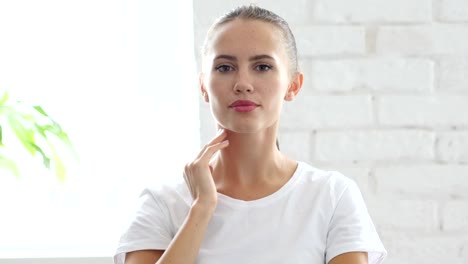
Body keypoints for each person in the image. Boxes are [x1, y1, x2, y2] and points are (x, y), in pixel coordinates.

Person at [114, 4, 387, 264]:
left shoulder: (332, 196)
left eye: (262, 67)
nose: (243, 84)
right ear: (203, 87)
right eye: (224, 67)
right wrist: (202, 208)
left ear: (293, 85)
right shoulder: (162, 203)